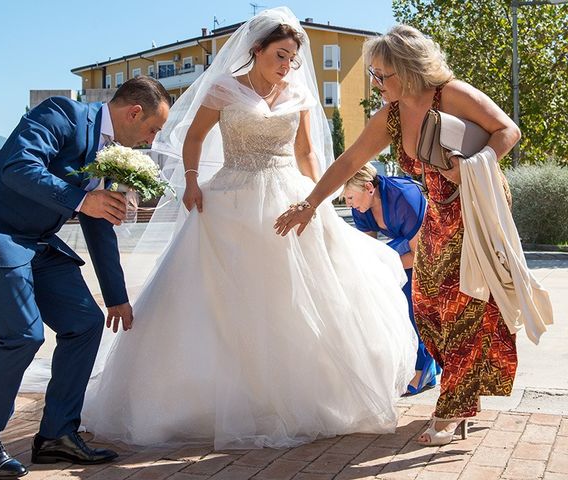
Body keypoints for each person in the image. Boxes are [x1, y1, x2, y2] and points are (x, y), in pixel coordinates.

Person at [81, 7, 417, 450]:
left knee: (295, 297)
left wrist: (316, 201)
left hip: (289, 196)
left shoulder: (298, 95)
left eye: (293, 59)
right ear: (256, 50)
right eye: (280, 55)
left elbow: (305, 153)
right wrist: (191, 180)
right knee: (226, 300)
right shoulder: (224, 88)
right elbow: (194, 138)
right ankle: (217, 399)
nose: (287, 65)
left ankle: (303, 393)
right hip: (230, 201)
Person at [275, 24, 521, 446]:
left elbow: (507, 131)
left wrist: (473, 165)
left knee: (461, 306)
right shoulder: (389, 116)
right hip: (438, 217)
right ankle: (460, 394)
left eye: (381, 75)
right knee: (425, 308)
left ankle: (450, 410)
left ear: (408, 69)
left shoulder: (451, 94)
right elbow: (349, 159)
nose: (375, 82)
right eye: (372, 74)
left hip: (475, 210)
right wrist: (311, 202)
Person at [0, 76, 170, 477]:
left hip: (38, 242)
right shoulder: (61, 113)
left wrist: (116, 295)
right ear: (134, 113)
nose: (150, 140)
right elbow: (17, 168)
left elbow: (100, 221)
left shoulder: (115, 154)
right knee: (22, 336)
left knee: (85, 323)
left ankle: (57, 436)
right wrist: (81, 199)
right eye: (152, 129)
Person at [342, 163, 440, 395]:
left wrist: (385, 266)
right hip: (404, 245)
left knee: (409, 299)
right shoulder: (361, 207)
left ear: (369, 188)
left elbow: (420, 257)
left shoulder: (403, 198)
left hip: (434, 246)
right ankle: (396, 363)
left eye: (349, 197)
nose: (348, 204)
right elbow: (369, 250)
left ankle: (422, 368)